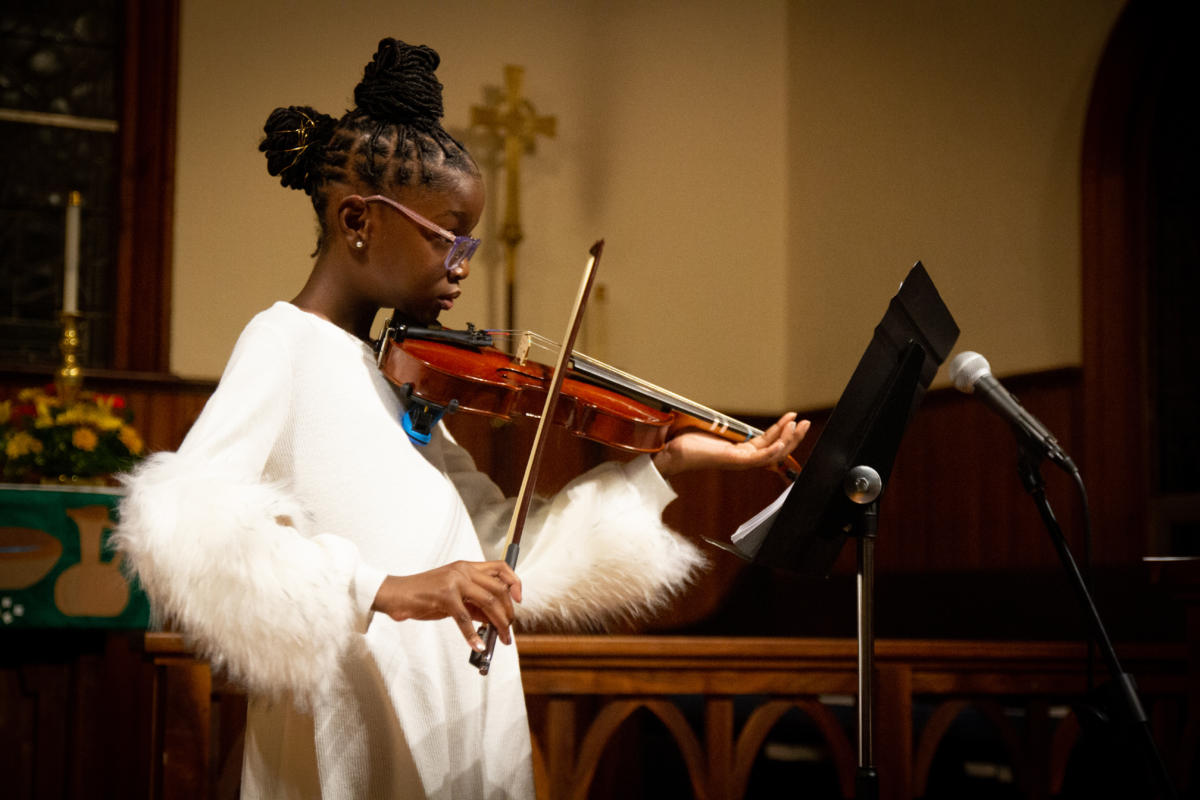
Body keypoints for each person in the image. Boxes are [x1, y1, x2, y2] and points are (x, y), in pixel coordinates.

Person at [114, 38, 808, 799]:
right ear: (357, 219)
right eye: (448, 237)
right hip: (359, 715)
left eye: (468, 242)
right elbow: (186, 524)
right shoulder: (283, 342)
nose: (463, 265)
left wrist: (664, 463)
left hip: (452, 704)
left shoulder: (397, 374)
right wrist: (385, 589)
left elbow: (499, 547)